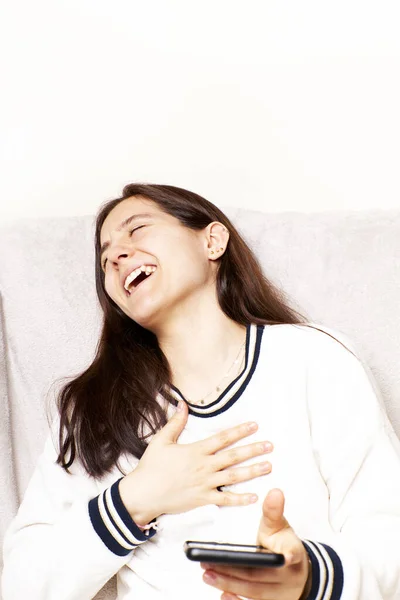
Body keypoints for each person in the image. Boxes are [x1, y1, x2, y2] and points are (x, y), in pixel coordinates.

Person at [2, 184, 400, 600]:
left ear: (212, 241)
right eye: (105, 258)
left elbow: (388, 534)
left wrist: (308, 579)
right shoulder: (93, 410)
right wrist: (133, 500)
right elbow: (20, 586)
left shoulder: (314, 359)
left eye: (136, 230)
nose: (116, 256)